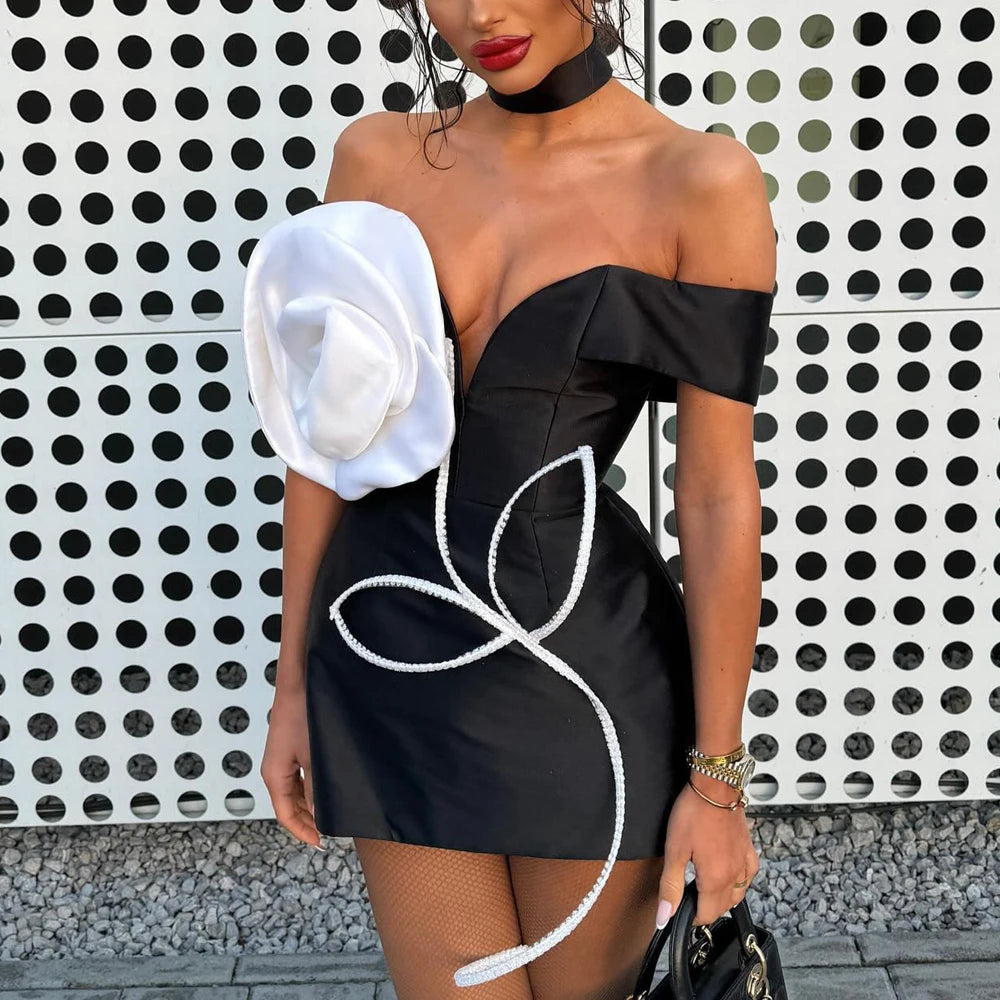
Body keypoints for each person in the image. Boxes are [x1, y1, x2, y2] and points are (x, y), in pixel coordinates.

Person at [241, 3, 776, 998]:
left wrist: (717, 781)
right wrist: (291, 688)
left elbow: (712, 494)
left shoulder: (699, 180)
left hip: (585, 682)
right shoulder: (375, 159)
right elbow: (323, 448)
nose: (479, 12)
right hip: (386, 659)